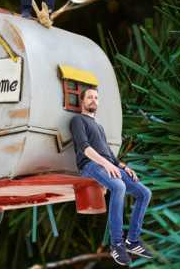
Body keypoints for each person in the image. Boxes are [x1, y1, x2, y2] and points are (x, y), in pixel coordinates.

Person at [70, 88, 153, 266]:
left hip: (109, 165)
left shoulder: (99, 126)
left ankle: (132, 241)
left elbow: (109, 154)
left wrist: (124, 166)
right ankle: (116, 244)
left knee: (144, 193)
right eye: (89, 97)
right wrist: (107, 164)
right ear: (82, 101)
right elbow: (84, 148)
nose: (93, 100)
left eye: (96, 97)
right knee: (119, 186)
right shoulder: (77, 120)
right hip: (90, 165)